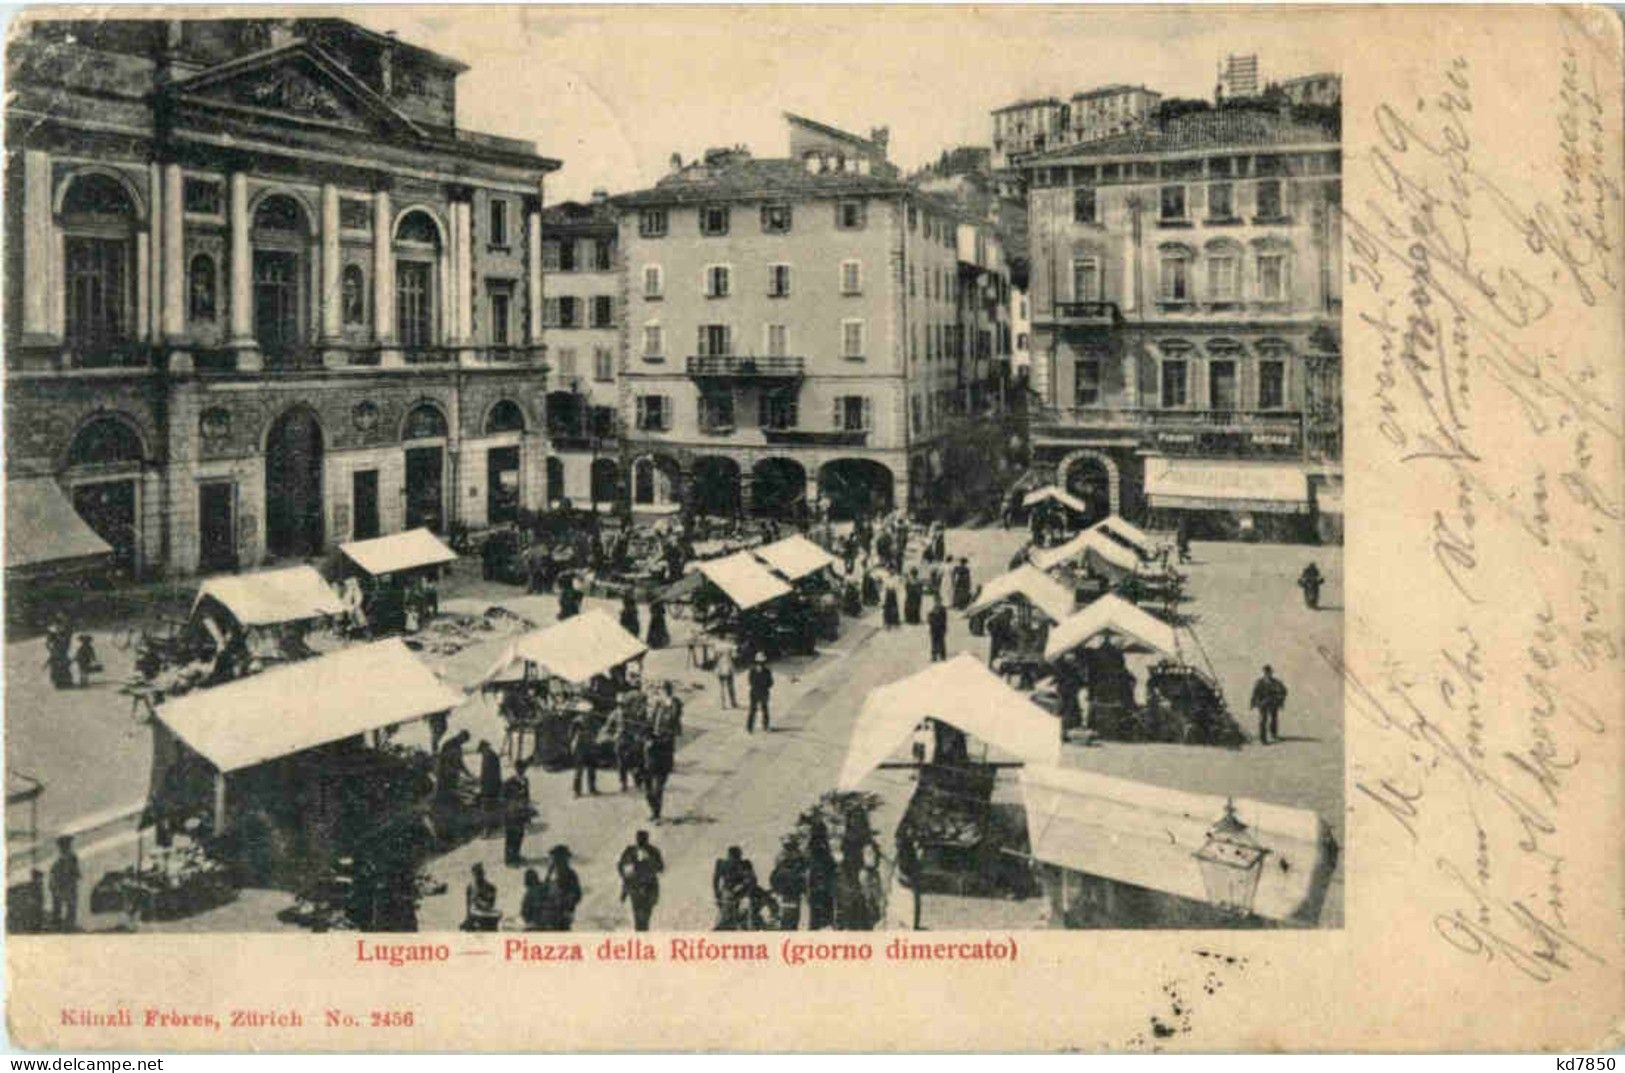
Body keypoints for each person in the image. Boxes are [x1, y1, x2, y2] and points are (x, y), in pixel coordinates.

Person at [618, 830, 665, 932]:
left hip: (648, 887)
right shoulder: (631, 851)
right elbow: (623, 868)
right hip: (637, 888)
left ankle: (642, 936)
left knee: (644, 917)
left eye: (642, 839)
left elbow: (660, 867)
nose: (641, 841)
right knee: (639, 918)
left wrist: (650, 861)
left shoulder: (652, 851)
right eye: (640, 839)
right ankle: (641, 937)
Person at [712, 846, 758, 930]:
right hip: (728, 892)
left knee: (747, 911)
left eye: (737, 858)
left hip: (742, 891)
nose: (735, 861)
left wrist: (747, 892)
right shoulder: (723, 864)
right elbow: (716, 880)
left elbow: (752, 879)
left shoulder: (745, 864)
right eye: (733, 858)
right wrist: (717, 894)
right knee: (727, 914)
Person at [769, 836, 808, 931]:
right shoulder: (798, 856)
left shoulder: (782, 856)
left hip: (787, 890)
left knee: (789, 915)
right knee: (791, 915)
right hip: (791, 890)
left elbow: (774, 875)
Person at [540, 845, 582, 931]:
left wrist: (568, 904)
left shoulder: (570, 875)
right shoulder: (550, 874)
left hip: (562, 916)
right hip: (548, 916)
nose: (552, 862)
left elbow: (577, 894)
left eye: (555, 859)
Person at [805, 821, 837, 931]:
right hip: (821, 886)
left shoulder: (813, 847)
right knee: (822, 915)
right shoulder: (821, 847)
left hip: (819, 886)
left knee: (817, 916)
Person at [502, 760, 533, 866]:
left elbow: (527, 797)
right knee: (511, 836)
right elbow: (504, 797)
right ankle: (509, 859)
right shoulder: (509, 782)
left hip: (521, 813)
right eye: (520, 769)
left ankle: (516, 855)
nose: (521, 771)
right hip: (511, 814)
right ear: (516, 769)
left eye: (523, 769)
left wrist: (527, 812)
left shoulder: (526, 780)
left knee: (520, 834)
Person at [1250, 665, 1289, 745]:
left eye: (1269, 673)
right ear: (1264, 673)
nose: (1267, 674)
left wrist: (1280, 699)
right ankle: (1263, 738)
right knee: (1263, 720)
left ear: (1271, 673)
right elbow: (1255, 693)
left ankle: (1273, 733)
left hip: (1273, 703)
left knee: (1274, 719)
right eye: (1266, 673)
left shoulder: (1276, 682)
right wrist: (1253, 702)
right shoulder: (1260, 682)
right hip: (1263, 703)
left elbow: (1284, 691)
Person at [48, 835, 80, 932]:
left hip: (65, 885)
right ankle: (64, 925)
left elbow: (74, 872)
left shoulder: (66, 858)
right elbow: (76, 873)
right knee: (66, 906)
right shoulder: (69, 858)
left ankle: (62, 925)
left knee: (63, 906)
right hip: (65, 885)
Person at [895, 827, 922, 931]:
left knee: (911, 901)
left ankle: (912, 924)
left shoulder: (907, 848)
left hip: (909, 875)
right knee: (909, 900)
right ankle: (910, 924)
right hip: (907, 876)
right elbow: (904, 864)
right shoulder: (905, 848)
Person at [569, 708, 600, 797]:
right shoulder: (576, 721)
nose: (588, 713)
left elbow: (598, 730)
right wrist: (573, 743)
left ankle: (592, 789)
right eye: (586, 711)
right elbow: (571, 734)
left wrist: (595, 738)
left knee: (591, 769)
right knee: (579, 770)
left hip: (590, 746)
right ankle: (576, 791)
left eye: (589, 711)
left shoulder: (593, 720)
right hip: (580, 747)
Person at [476, 739, 503, 835]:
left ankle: (487, 830)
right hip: (495, 785)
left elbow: (486, 773)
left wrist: (480, 782)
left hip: (488, 786)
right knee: (494, 805)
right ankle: (495, 825)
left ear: (484, 748)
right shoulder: (493, 755)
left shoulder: (487, 756)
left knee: (486, 808)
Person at [463, 863, 500, 931]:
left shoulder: (491, 887)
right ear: (473, 875)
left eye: (480, 873)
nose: (478, 876)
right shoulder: (470, 887)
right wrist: (467, 918)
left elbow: (490, 905)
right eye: (476, 874)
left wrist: (478, 901)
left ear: (483, 874)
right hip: (475, 913)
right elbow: (468, 905)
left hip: (486, 913)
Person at [746, 653, 774, 733]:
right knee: (762, 709)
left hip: (756, 691)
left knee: (756, 709)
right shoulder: (767, 671)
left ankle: (751, 727)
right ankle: (763, 726)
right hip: (762, 692)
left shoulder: (753, 671)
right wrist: (765, 685)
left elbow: (750, 681)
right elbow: (770, 683)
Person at [714, 640, 738, 709]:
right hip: (728, 666)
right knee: (730, 685)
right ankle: (733, 703)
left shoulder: (717, 645)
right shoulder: (730, 645)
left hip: (720, 667)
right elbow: (734, 656)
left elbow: (715, 657)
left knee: (721, 686)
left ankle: (723, 704)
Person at [927, 596, 949, 663]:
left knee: (941, 643)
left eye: (939, 601)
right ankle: (934, 656)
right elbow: (929, 619)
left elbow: (944, 620)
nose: (937, 603)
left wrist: (943, 627)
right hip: (934, 629)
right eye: (936, 602)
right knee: (934, 643)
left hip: (940, 629)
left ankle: (943, 656)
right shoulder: (932, 610)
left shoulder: (943, 610)